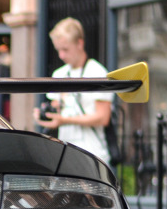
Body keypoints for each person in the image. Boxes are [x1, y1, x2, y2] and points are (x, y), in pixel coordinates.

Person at [34, 17, 112, 164]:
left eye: (65, 49)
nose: (61, 55)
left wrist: (64, 120)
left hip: (92, 153)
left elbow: (103, 117)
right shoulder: (59, 74)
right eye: (58, 50)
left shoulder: (97, 72)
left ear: (80, 43)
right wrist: (45, 114)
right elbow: (57, 109)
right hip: (64, 151)